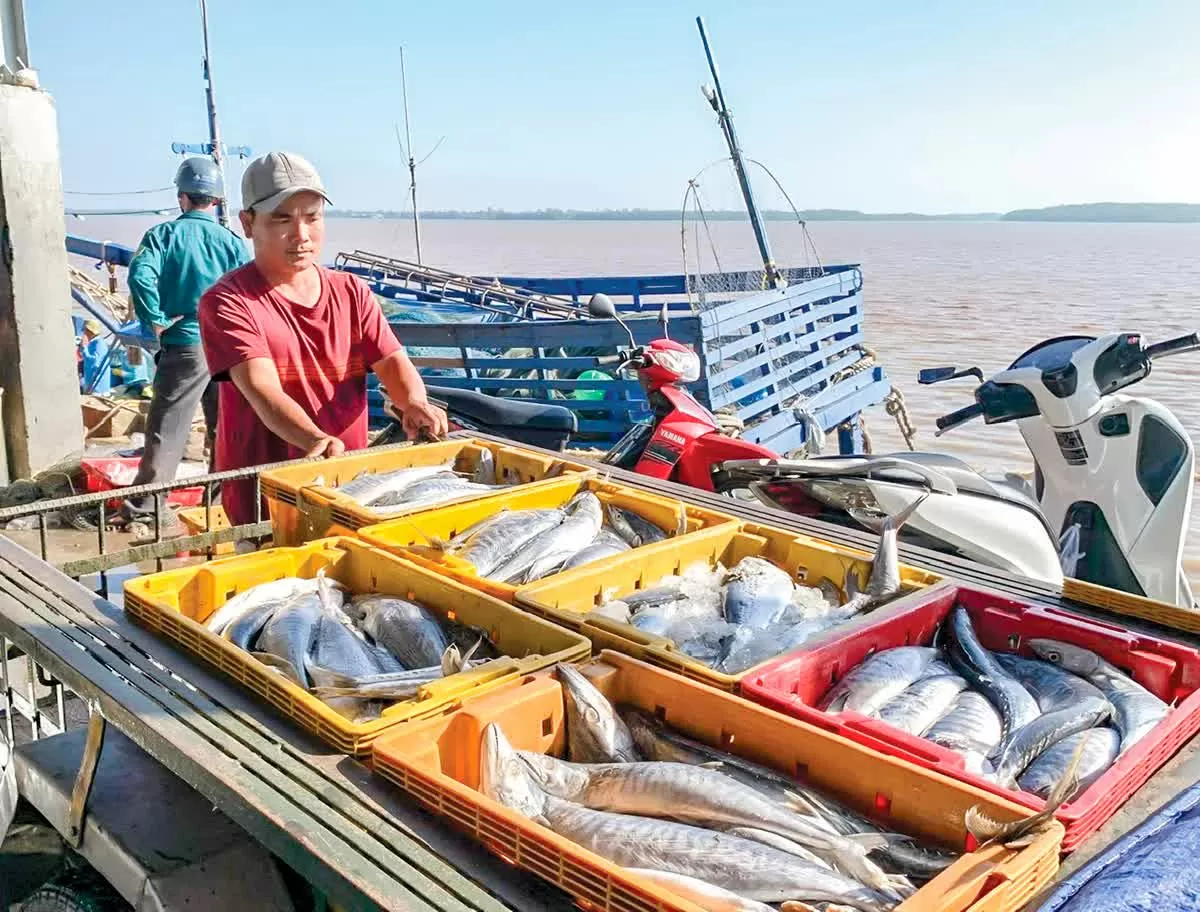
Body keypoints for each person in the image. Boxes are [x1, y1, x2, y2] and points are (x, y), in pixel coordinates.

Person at [197, 151, 447, 528]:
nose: (301, 235)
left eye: (312, 217)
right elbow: (262, 388)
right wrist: (314, 440)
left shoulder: (351, 291)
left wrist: (414, 403)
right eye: (282, 219)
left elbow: (392, 361)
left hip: (351, 491)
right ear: (247, 224)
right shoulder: (227, 302)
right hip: (264, 499)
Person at [121, 157, 250, 524]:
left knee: (169, 426)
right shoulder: (232, 243)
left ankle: (146, 507)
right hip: (227, 347)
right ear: (216, 201)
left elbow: (141, 276)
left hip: (186, 344)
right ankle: (219, 504)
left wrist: (156, 320)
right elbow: (247, 293)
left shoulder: (163, 236)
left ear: (182, 197)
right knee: (224, 429)